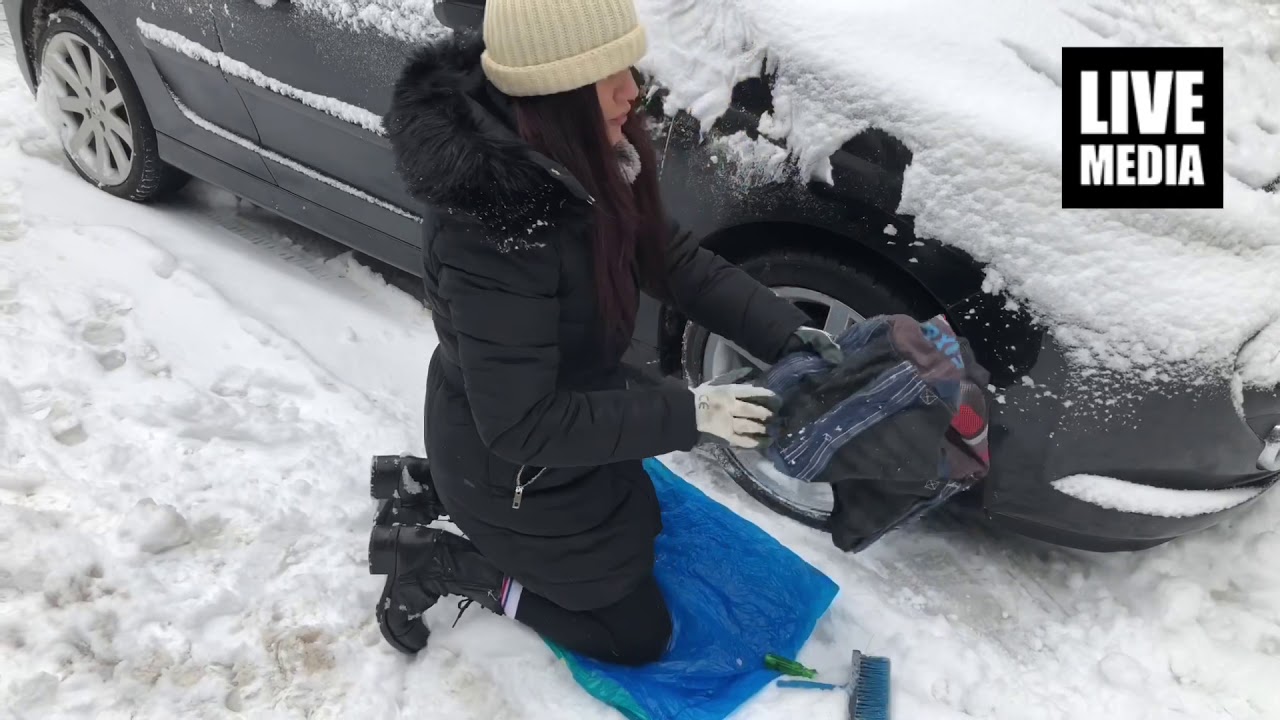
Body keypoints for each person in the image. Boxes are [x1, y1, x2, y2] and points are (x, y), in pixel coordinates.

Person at [372, 0, 843, 666]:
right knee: (635, 635)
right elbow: (522, 424)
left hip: (570, 417)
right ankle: (448, 563)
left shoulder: (586, 153)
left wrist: (788, 334)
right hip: (513, 466)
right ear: (553, 93)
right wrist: (692, 413)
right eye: (608, 75)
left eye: (628, 64)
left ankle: (437, 490)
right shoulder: (492, 234)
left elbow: (670, 258)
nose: (634, 89)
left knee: (642, 530)